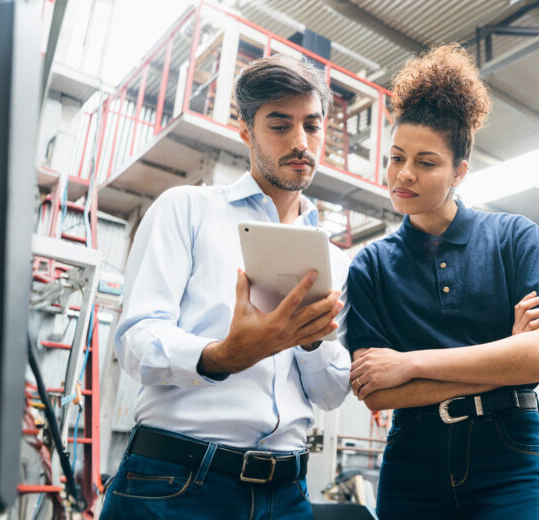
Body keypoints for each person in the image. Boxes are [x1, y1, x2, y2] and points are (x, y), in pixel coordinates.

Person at [100, 54, 351, 520]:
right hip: (176, 484)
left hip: (286, 494)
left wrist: (313, 343)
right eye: (280, 125)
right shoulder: (188, 210)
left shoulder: (333, 259)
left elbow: (330, 394)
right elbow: (136, 343)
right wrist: (221, 357)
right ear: (245, 131)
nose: (301, 143)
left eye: (312, 126)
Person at [342, 44, 539, 519]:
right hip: (413, 462)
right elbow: (376, 392)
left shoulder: (513, 238)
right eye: (396, 157)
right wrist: (507, 358)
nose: (403, 175)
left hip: (510, 456)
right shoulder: (370, 266)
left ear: (459, 172)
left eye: (426, 163)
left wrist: (411, 364)